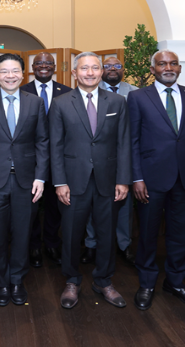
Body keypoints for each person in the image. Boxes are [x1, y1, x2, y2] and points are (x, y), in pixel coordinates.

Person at [127, 50, 185, 311]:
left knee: (180, 233)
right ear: (153, 69)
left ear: (180, 68)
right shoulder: (138, 97)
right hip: (150, 179)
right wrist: (136, 177)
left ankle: (175, 282)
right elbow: (132, 141)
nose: (168, 67)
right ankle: (147, 283)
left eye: (173, 63)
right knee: (148, 233)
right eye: (162, 64)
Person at [51, 51, 131, 309]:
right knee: (71, 234)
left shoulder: (118, 102)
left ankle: (104, 281)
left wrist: (123, 180)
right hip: (72, 181)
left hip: (109, 180)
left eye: (95, 68)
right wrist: (59, 182)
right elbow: (55, 145)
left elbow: (124, 143)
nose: (90, 72)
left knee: (107, 234)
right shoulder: (61, 103)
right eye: (84, 68)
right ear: (74, 73)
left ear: (101, 71)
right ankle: (72, 280)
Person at [0, 53, 49, 306]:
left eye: (15, 71)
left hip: (27, 181)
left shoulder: (36, 102)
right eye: (4, 71)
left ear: (23, 74)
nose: (10, 76)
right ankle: (2, 282)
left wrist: (41, 177)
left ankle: (17, 280)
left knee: (23, 234)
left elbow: (42, 142)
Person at [84, 56, 137, 266]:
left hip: (122, 157)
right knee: (92, 205)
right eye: (107, 66)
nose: (113, 69)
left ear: (124, 69)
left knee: (123, 205)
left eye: (117, 65)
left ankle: (124, 244)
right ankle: (91, 244)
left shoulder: (135, 93)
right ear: (100, 70)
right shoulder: (88, 91)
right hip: (93, 160)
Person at [23, 51, 71, 268]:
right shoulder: (21, 91)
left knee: (55, 205)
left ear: (55, 67)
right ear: (32, 67)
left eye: (48, 63)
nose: (44, 66)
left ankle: (52, 243)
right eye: (39, 63)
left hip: (59, 159)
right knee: (31, 205)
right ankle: (33, 245)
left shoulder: (67, 92)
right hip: (30, 159)